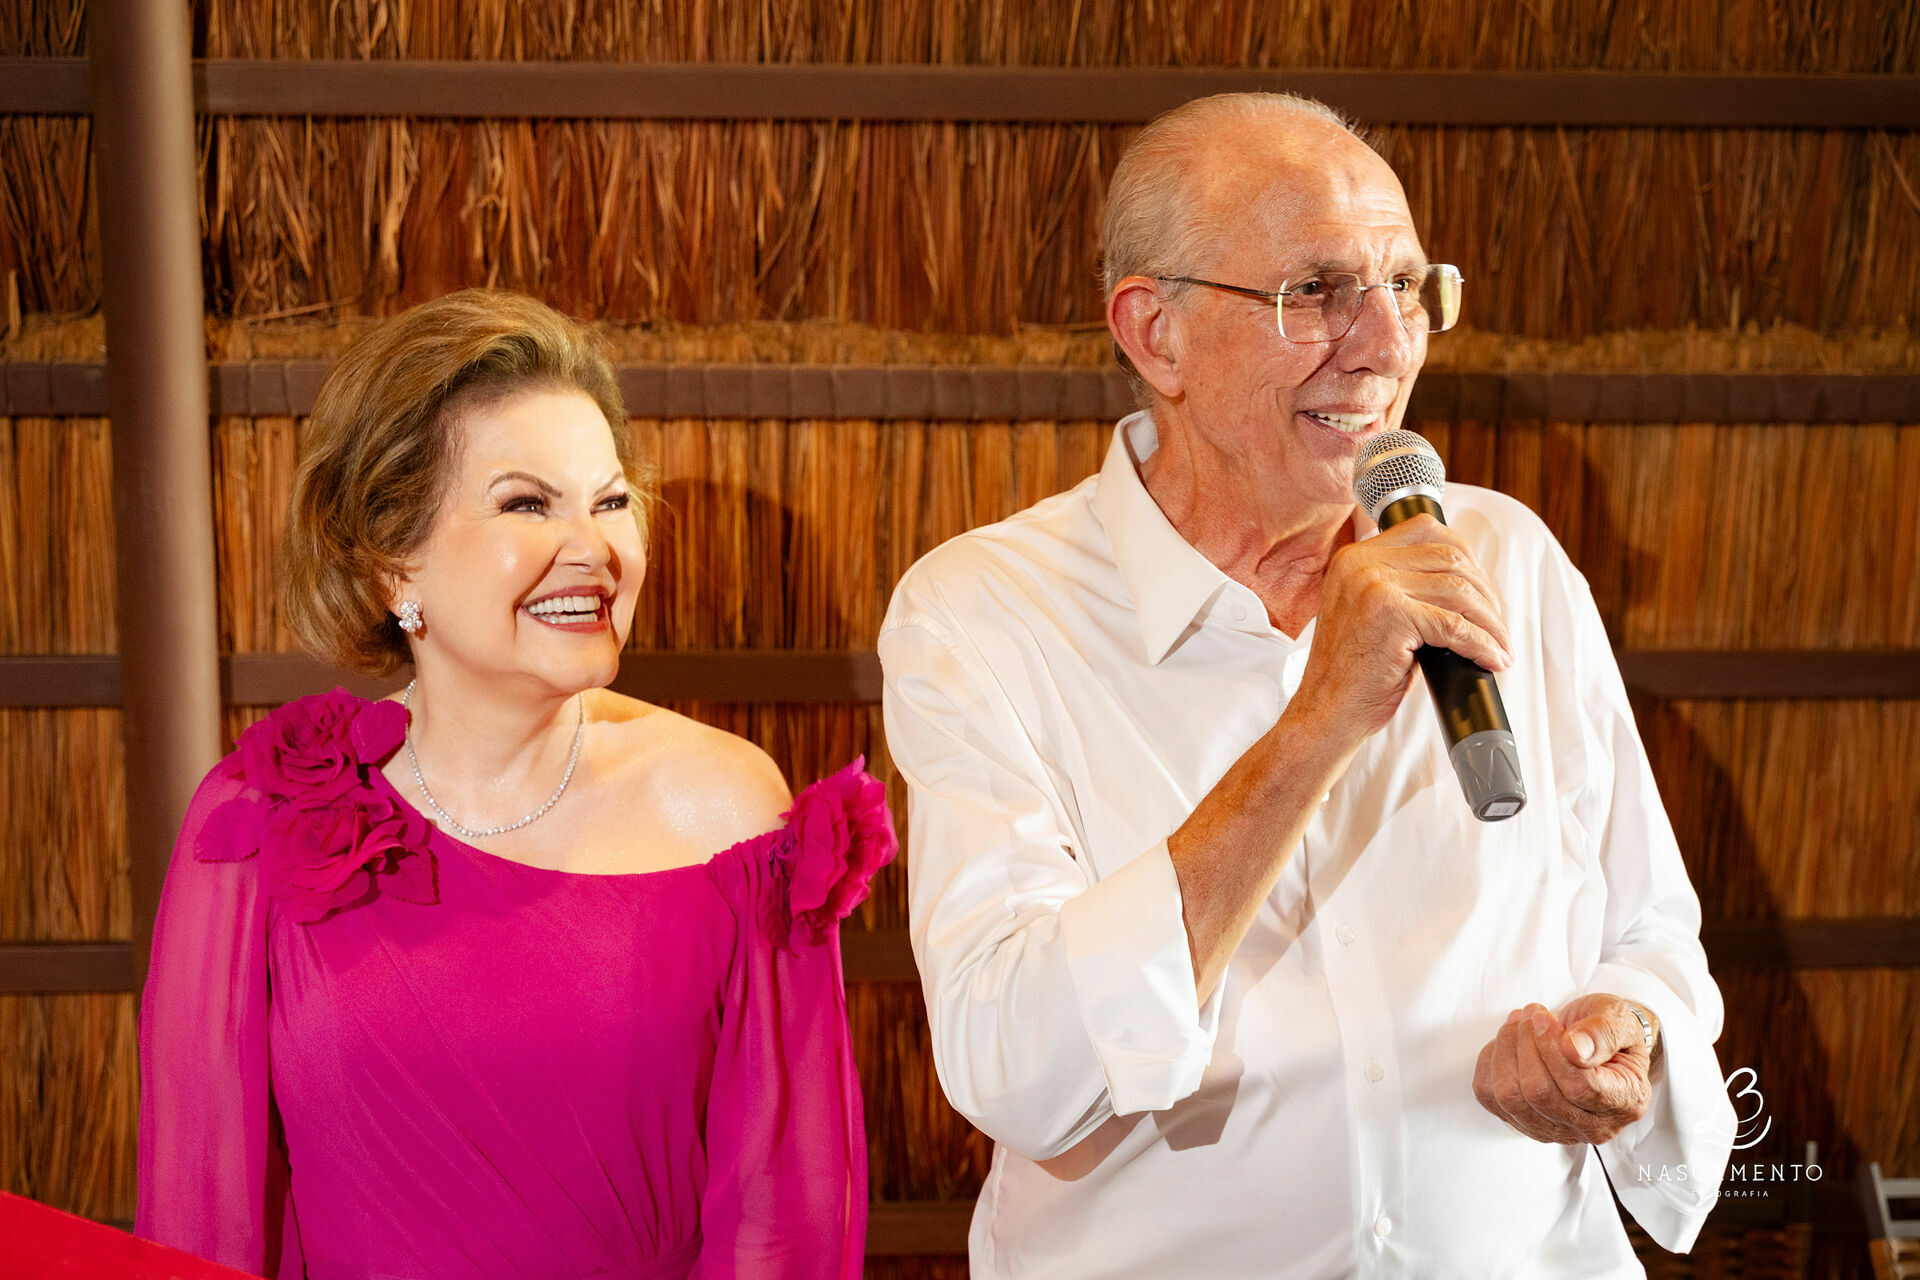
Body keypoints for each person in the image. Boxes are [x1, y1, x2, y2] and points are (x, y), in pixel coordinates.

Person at [879, 94, 1735, 1278]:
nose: (1387, 344)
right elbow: (1014, 1064)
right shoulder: (983, 612)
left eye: (1409, 284)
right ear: (1154, 333)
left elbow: (1646, 930)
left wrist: (1614, 1036)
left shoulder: (1508, 557)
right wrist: (1317, 721)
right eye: (1317, 291)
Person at [137, 289, 895, 1280]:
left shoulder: (731, 812)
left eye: (612, 500)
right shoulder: (254, 818)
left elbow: (785, 1222)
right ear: (390, 559)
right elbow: (200, 1217)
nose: (594, 549)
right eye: (528, 502)